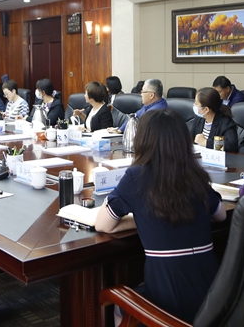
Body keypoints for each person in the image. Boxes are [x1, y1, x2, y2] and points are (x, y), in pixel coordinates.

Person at [95, 109, 226, 324]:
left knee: (120, 307)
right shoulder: (195, 175)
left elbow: (103, 225)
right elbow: (220, 216)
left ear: (143, 140)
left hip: (170, 307)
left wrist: (145, 219)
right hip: (212, 302)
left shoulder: (136, 176)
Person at [189, 87, 239, 152]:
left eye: (196, 104)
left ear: (206, 109)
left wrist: (206, 142)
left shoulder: (225, 122)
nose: (194, 105)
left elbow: (231, 145)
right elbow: (190, 138)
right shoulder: (199, 119)